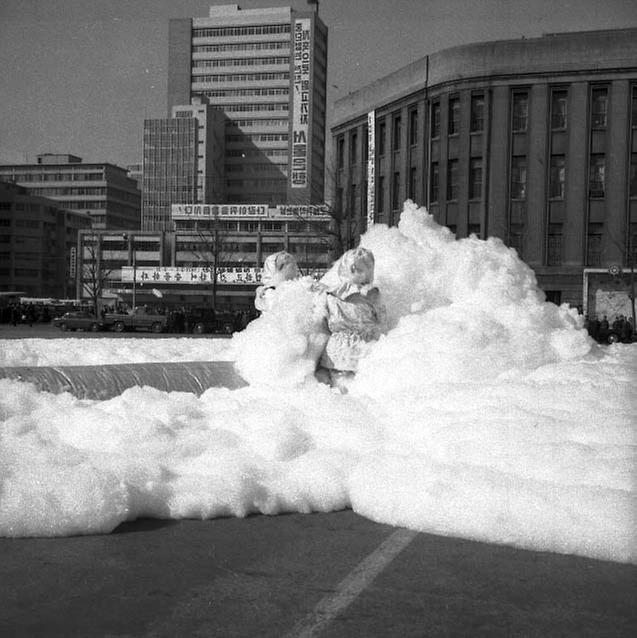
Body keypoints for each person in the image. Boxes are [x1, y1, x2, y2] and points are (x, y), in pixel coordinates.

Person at [317, 247, 385, 392]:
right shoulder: (371, 295)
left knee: (337, 385)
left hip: (335, 348)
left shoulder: (330, 293)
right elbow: (381, 318)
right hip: (361, 347)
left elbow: (322, 318)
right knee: (356, 389)